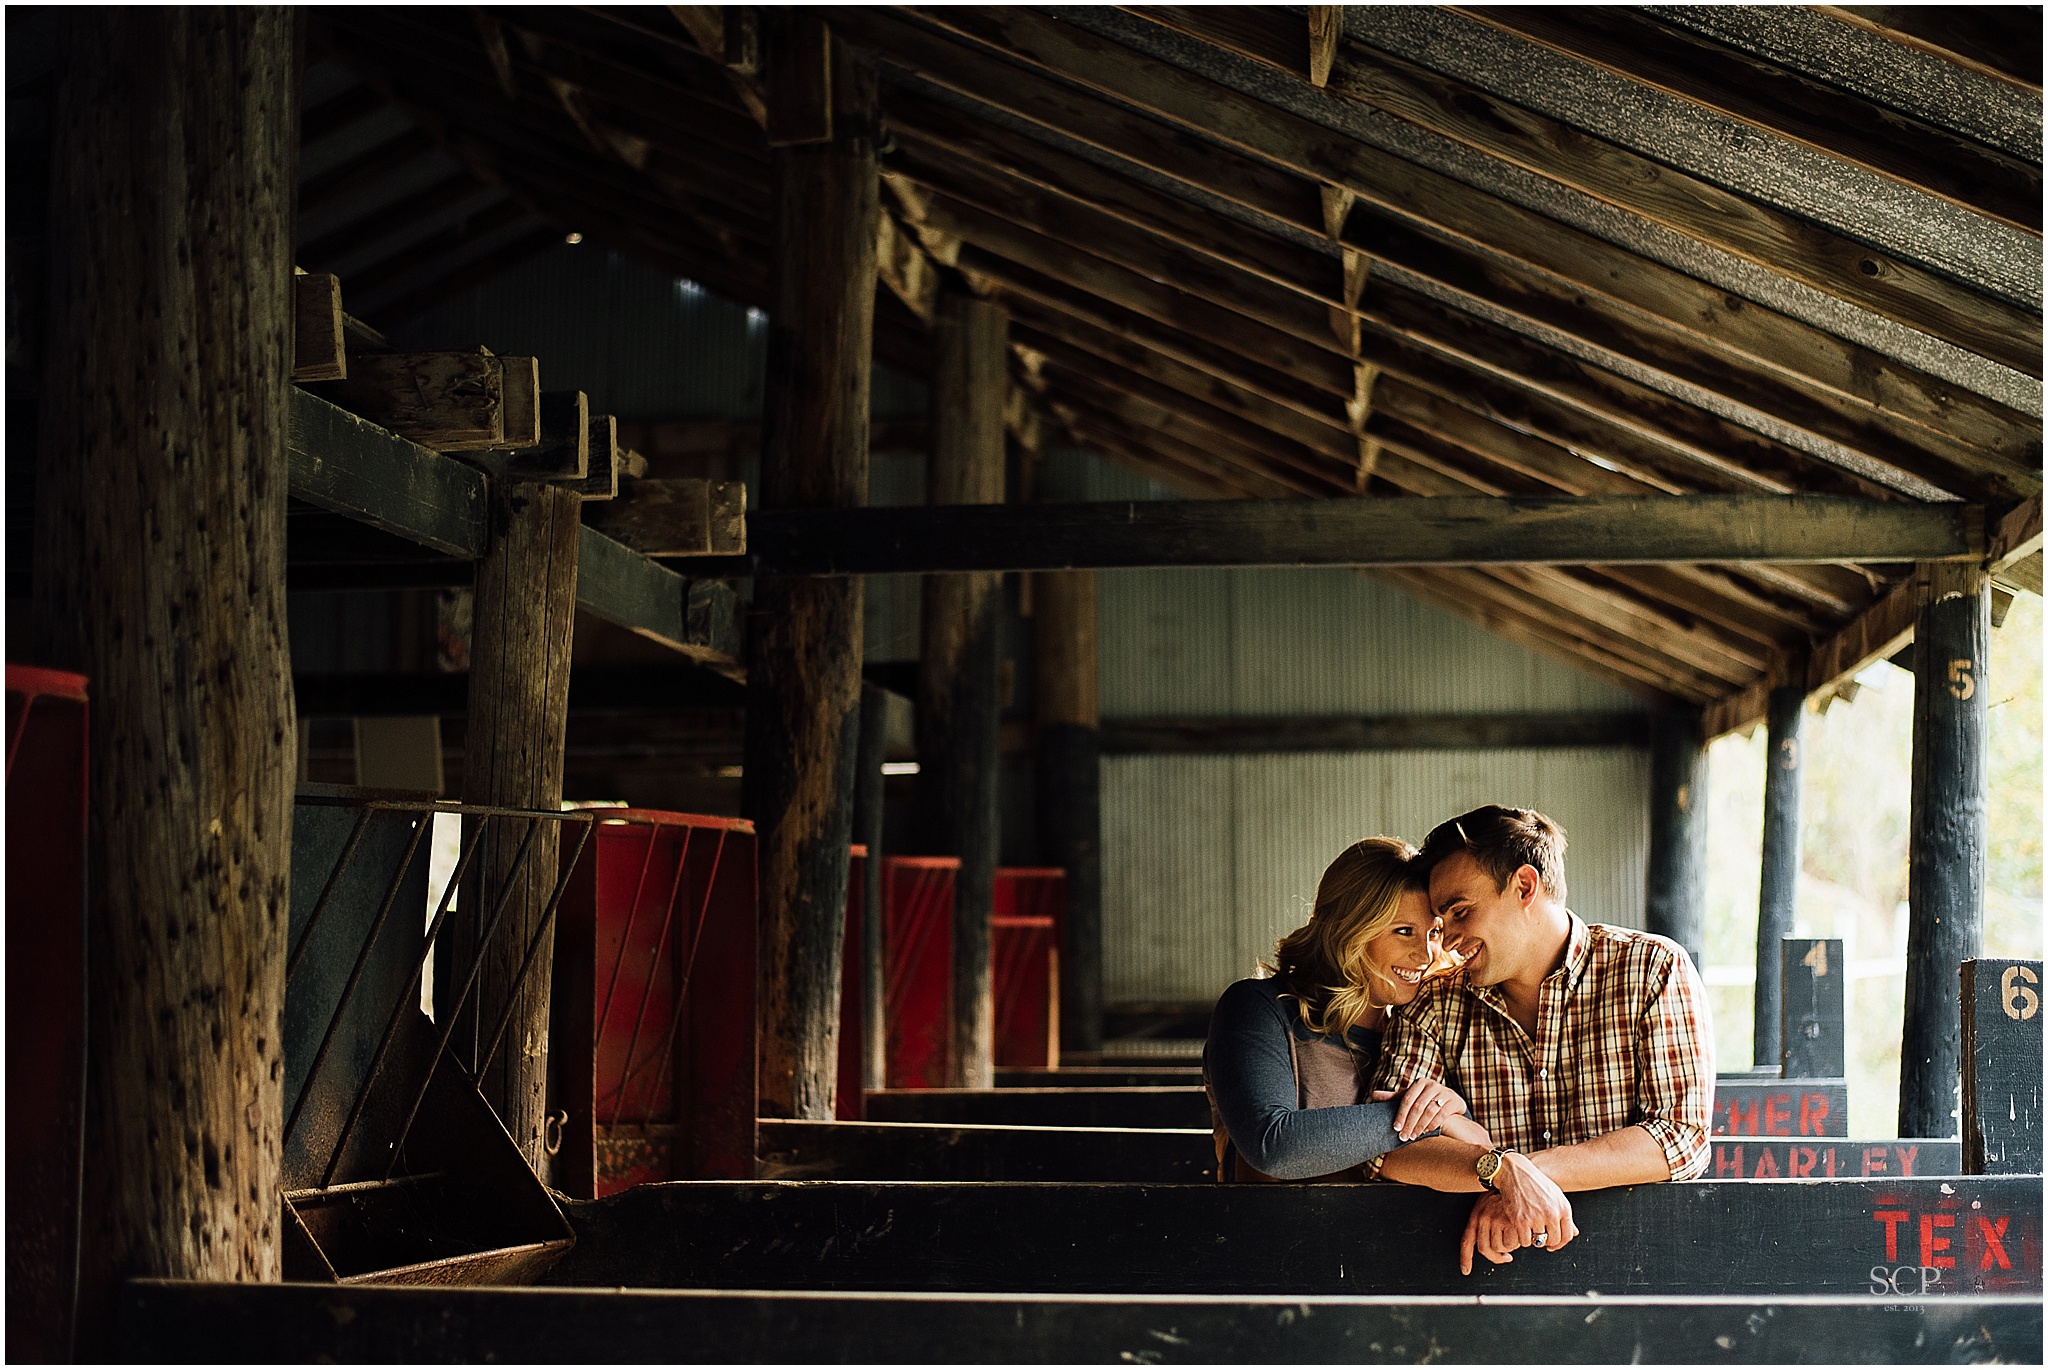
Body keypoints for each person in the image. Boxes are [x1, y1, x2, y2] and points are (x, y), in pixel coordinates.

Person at [1368, 806, 1714, 1273]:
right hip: (1478, 1286)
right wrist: (1500, 1172)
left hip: (1641, 1271)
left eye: (1460, 912)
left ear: (1525, 887)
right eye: (1440, 921)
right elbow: (1388, 1149)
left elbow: (1680, 1138)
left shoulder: (1653, 969)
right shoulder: (1432, 1003)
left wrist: (1520, 1174)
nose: (1445, 942)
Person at [1204, 836, 1491, 1183]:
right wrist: (1426, 1117)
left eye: (1433, 933)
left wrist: (1453, 1117)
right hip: (1271, 1235)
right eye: (1404, 931)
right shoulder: (1258, 1008)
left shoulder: (1422, 1028)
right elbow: (1273, 1146)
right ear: (1349, 929)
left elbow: (1476, 1143)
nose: (1426, 955)